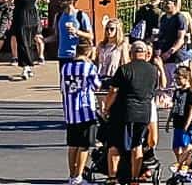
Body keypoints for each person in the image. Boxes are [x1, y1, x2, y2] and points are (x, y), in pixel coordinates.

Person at [103, 41, 163, 185]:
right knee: (137, 145)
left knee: (114, 145)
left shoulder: (124, 69)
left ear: (131, 54)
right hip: (144, 113)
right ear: (145, 53)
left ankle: (113, 178)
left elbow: (114, 91)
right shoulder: (153, 70)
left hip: (124, 113)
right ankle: (135, 178)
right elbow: (154, 88)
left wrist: (106, 107)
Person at [61, 35, 102, 185]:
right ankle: (78, 176)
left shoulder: (65, 67)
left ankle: (71, 175)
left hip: (70, 111)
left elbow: (62, 88)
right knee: (84, 145)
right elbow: (97, 85)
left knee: (72, 145)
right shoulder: (89, 67)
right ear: (89, 51)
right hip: (85, 110)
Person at [169, 62, 192, 173]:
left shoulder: (190, 92)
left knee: (186, 145)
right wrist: (169, 120)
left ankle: (184, 164)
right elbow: (174, 106)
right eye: (176, 78)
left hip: (186, 122)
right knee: (176, 147)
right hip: (177, 121)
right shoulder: (177, 91)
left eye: (179, 78)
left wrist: (188, 123)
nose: (177, 81)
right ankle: (181, 163)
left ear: (186, 78)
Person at [13, 0, 43, 80]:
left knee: (30, 43)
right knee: (22, 42)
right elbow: (10, 2)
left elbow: (47, 0)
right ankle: (26, 66)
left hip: (32, 18)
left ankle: (28, 66)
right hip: (21, 18)